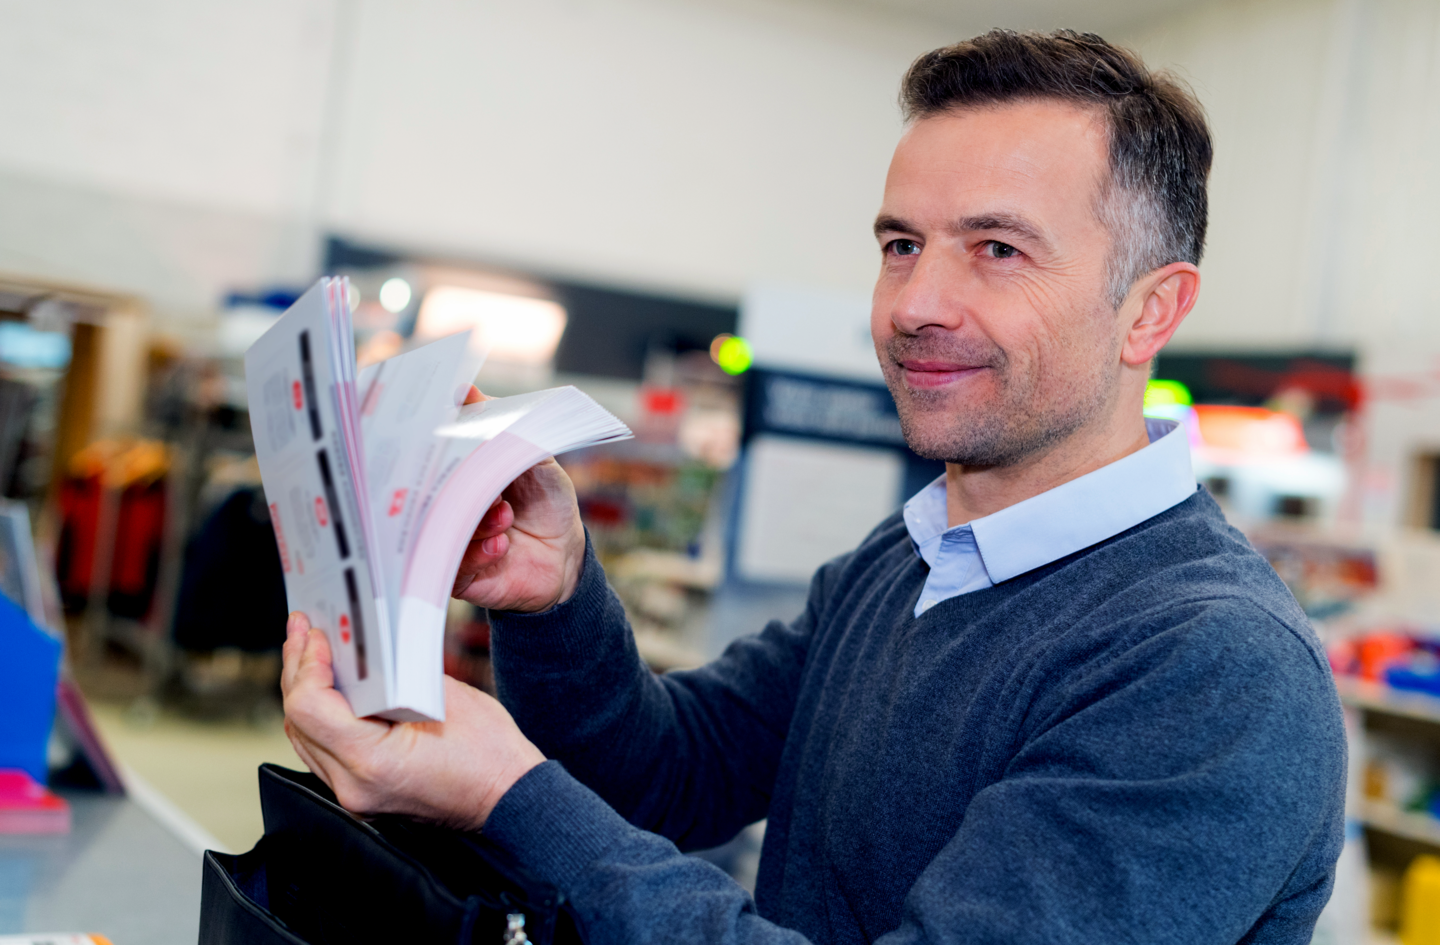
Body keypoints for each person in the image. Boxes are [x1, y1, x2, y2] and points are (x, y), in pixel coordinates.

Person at [281, 29, 1346, 945]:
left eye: (997, 249)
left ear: (1151, 311)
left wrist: (503, 796)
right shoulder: (914, 554)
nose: (915, 303)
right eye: (901, 244)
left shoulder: (1212, 668)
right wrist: (554, 598)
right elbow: (671, 773)